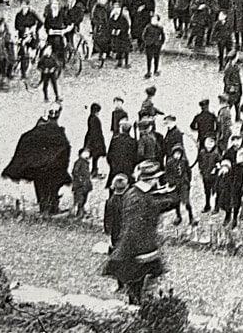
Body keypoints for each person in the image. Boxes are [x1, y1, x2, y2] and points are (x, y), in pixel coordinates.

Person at [102, 161, 180, 304]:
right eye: (156, 178)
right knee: (140, 289)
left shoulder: (133, 192)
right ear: (152, 180)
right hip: (139, 252)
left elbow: (157, 203)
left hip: (136, 249)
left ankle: (138, 309)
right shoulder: (142, 199)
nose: (158, 181)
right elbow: (157, 206)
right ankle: (139, 313)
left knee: (139, 287)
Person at [2, 103, 72, 215]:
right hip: (52, 167)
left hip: (38, 168)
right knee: (52, 188)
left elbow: (26, 140)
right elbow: (64, 149)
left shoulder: (37, 130)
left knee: (41, 187)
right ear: (58, 115)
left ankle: (44, 209)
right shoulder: (58, 133)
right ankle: (51, 209)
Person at [85, 103, 107, 178]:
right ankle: (94, 172)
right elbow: (97, 131)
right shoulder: (95, 119)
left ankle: (94, 171)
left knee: (95, 157)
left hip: (92, 140)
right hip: (96, 141)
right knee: (95, 156)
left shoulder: (90, 118)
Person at [72, 148, 93, 218]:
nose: (88, 154)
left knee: (84, 198)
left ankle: (81, 212)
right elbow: (75, 172)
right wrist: (80, 180)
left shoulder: (86, 163)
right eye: (85, 153)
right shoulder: (79, 162)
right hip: (80, 185)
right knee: (80, 199)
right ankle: (79, 213)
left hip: (85, 185)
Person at [142, 14, 164, 79]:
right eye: (153, 19)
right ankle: (148, 71)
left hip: (156, 45)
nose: (153, 20)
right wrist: (146, 41)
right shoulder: (148, 27)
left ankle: (155, 70)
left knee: (156, 58)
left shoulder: (160, 28)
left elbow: (163, 37)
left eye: (155, 19)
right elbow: (144, 35)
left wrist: (160, 43)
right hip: (149, 45)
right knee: (149, 59)